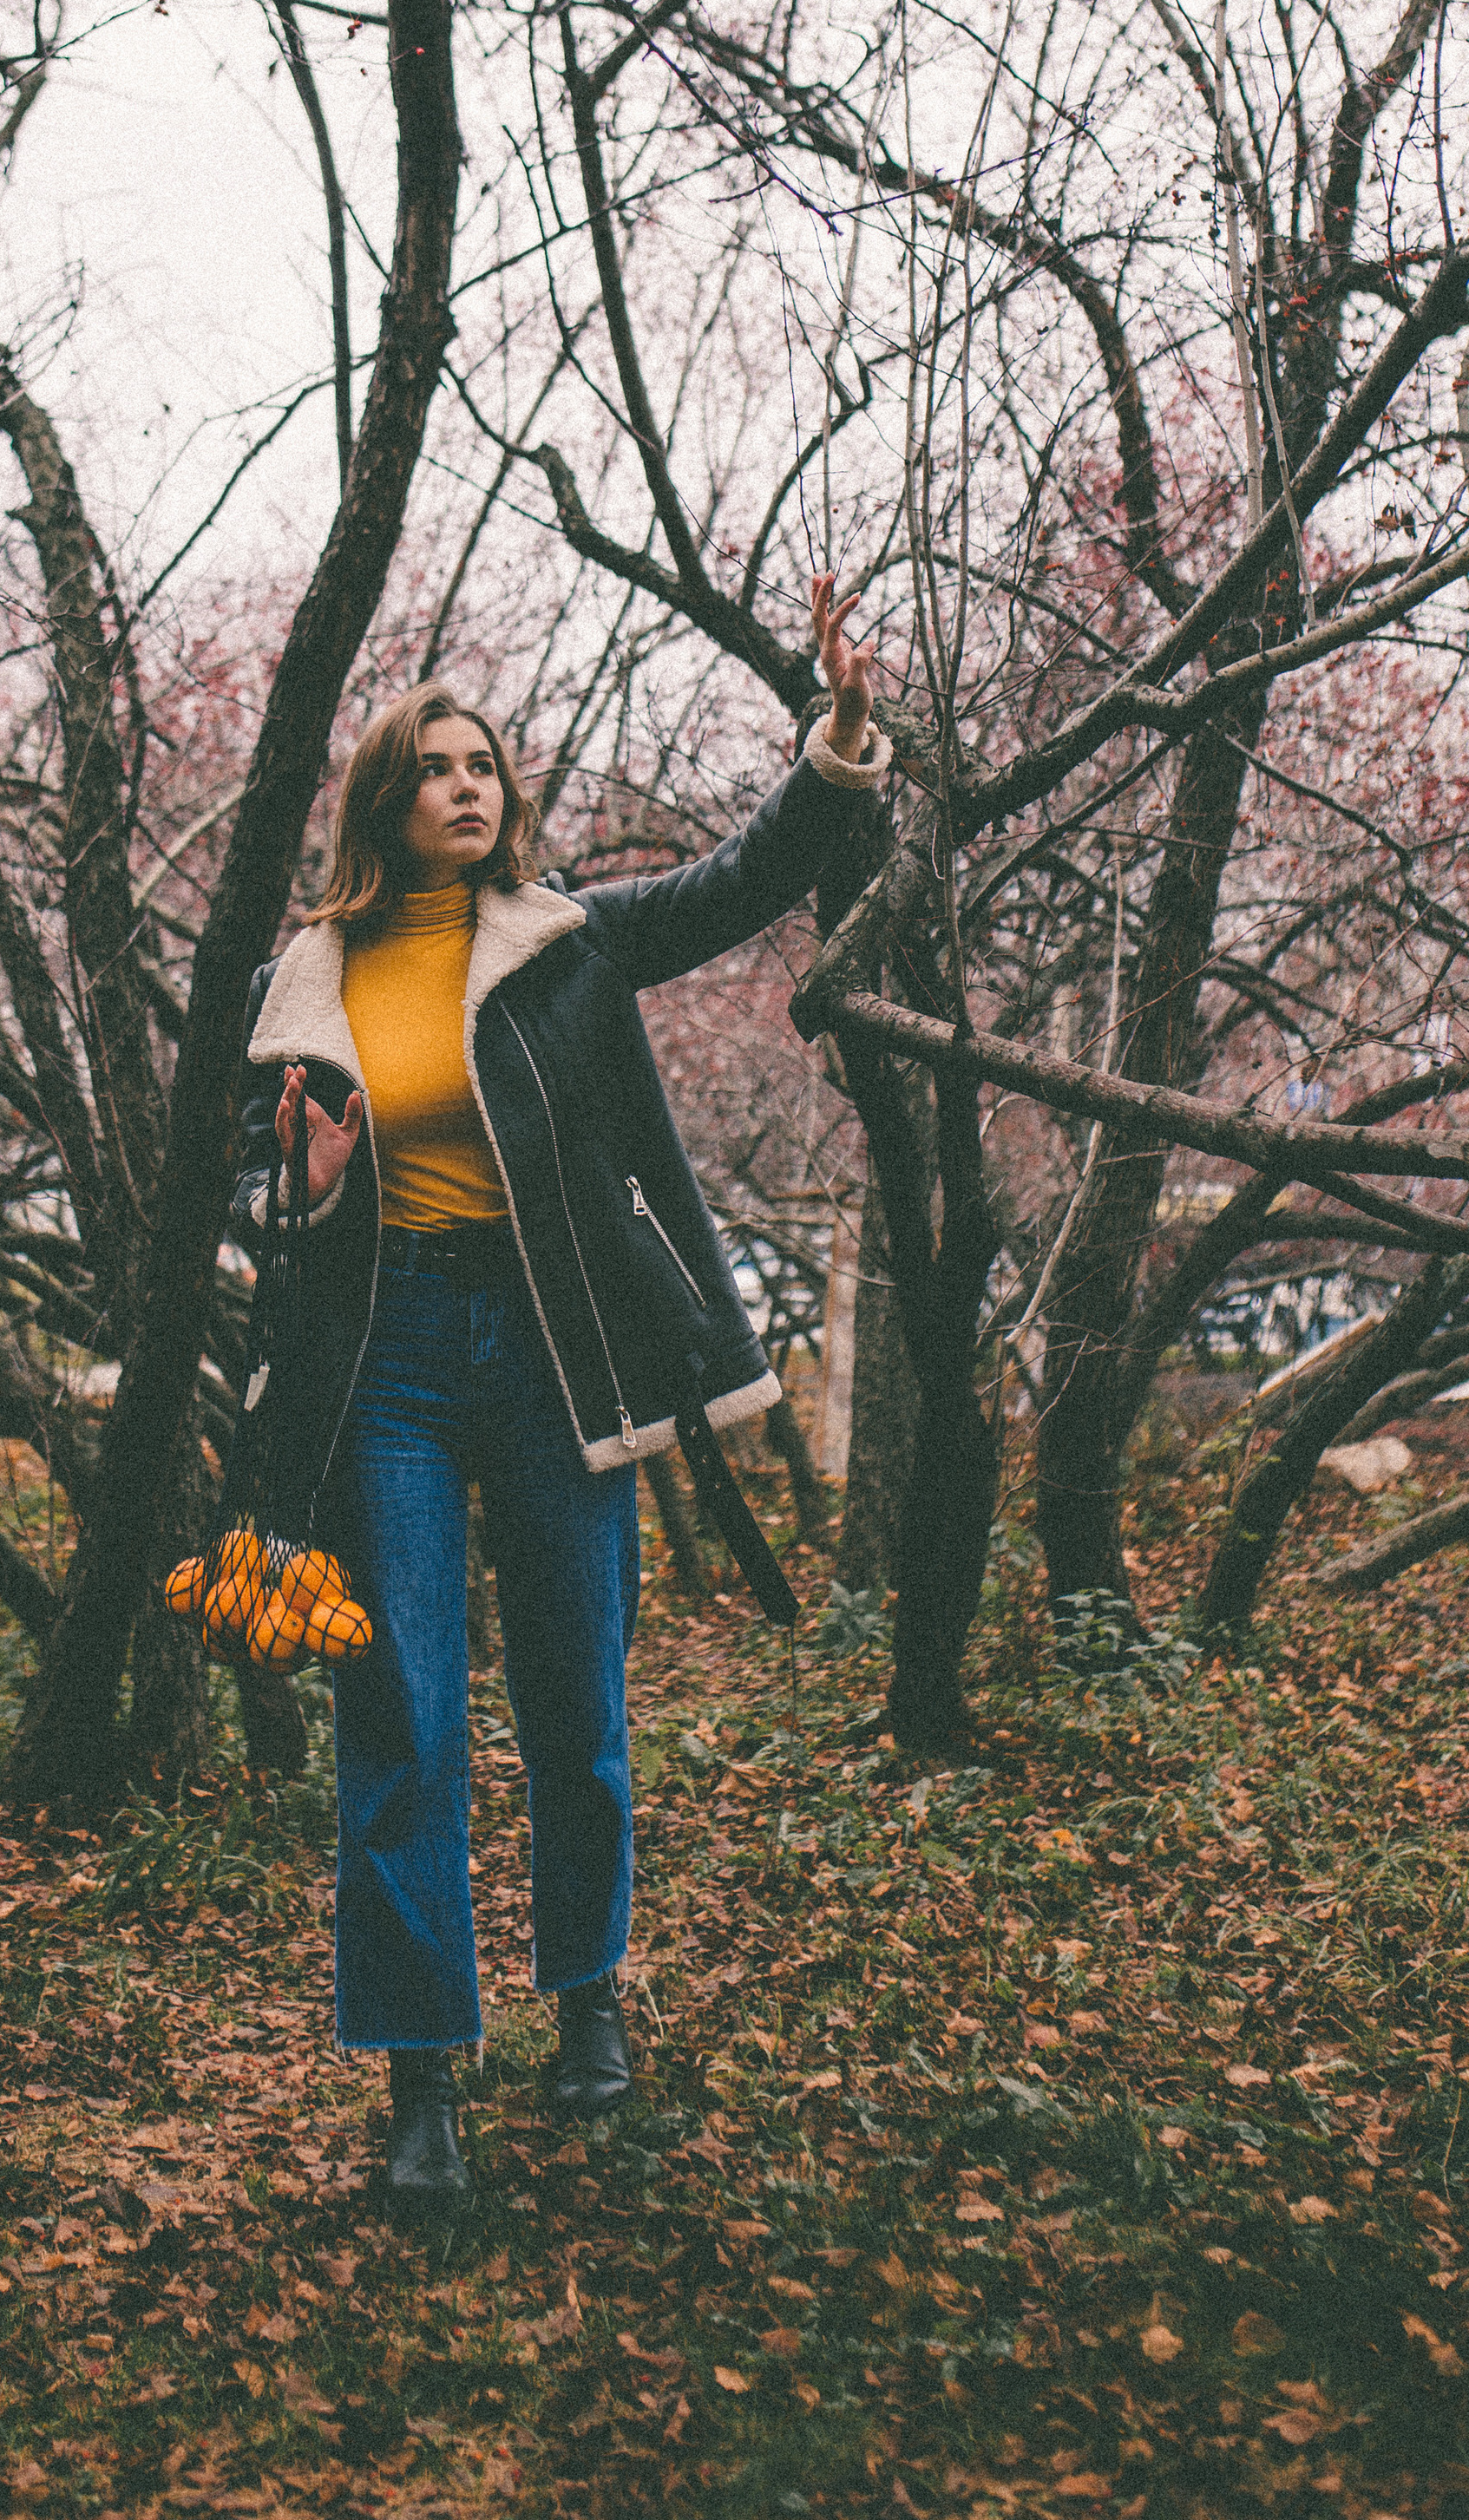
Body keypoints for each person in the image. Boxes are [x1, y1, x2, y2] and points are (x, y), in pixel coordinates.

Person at [229, 574, 885, 2207]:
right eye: (443, 768)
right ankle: (420, 2086)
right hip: (381, 1366)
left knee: (578, 1706)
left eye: (489, 767)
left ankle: (586, 2001)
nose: (477, 786)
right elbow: (272, 1210)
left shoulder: (567, 941)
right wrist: (308, 1183)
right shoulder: (305, 981)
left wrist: (839, 746)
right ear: (388, 799)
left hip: (546, 1357)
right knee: (404, 1719)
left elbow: (747, 882)